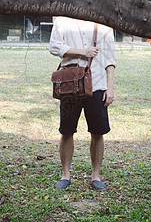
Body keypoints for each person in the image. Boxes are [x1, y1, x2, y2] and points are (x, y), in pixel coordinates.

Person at [49, 16, 116, 190]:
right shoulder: (63, 19)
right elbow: (54, 46)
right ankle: (65, 175)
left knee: (98, 132)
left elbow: (110, 58)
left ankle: (96, 175)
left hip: (98, 84)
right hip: (70, 85)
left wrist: (110, 88)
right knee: (66, 130)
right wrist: (82, 51)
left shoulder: (103, 22)